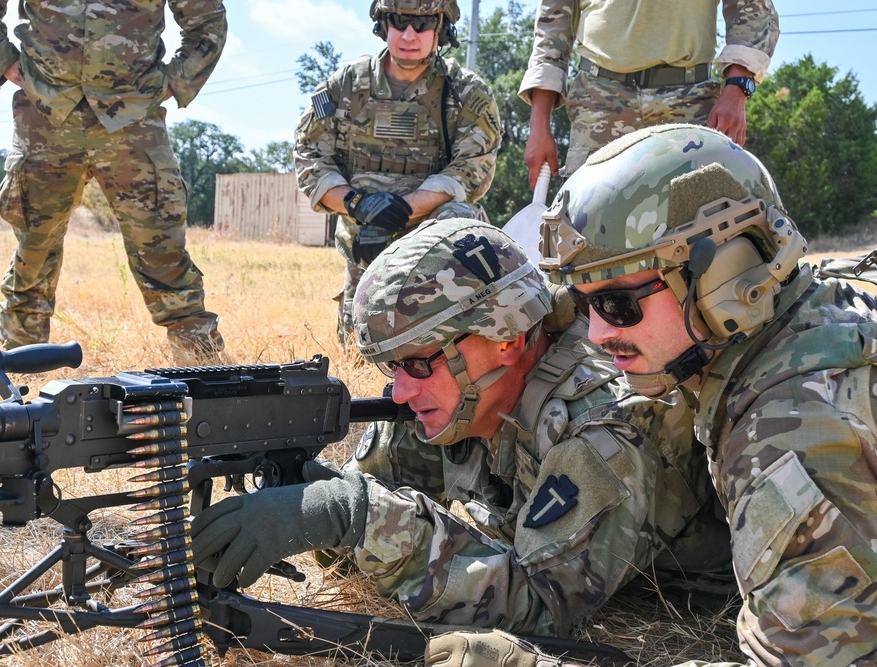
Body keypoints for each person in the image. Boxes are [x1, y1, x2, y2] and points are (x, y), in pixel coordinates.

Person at [430, 124, 877, 665]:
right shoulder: (805, 319)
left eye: (617, 304)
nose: (596, 332)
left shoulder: (789, 431)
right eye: (582, 300)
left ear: (727, 276)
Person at [191, 217, 719, 637]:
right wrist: (308, 497)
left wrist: (348, 513)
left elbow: (543, 610)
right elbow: (357, 538)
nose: (400, 390)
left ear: (507, 338)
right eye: (390, 366)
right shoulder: (457, 398)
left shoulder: (604, 428)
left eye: (419, 362)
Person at [0, 0, 228, 364]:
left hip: (133, 119)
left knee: (162, 252)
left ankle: (205, 372)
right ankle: (19, 382)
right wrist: (0, 58)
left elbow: (206, 18)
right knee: (34, 250)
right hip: (46, 115)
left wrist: (174, 81)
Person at [294, 0, 502, 347]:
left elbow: (472, 169)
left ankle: (455, 331)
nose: (409, 34)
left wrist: (403, 209)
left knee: (460, 218)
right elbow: (309, 157)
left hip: (433, 234)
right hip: (363, 234)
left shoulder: (467, 92)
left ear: (441, 28)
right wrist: (359, 204)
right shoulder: (343, 86)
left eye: (421, 24)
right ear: (382, 25)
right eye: (399, 21)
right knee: (360, 349)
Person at [518, 0, 779, 183]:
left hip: (689, 99)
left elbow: (752, 9)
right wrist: (539, 125)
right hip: (598, 102)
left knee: (701, 233)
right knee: (590, 235)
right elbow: (553, 27)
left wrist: (738, 88)